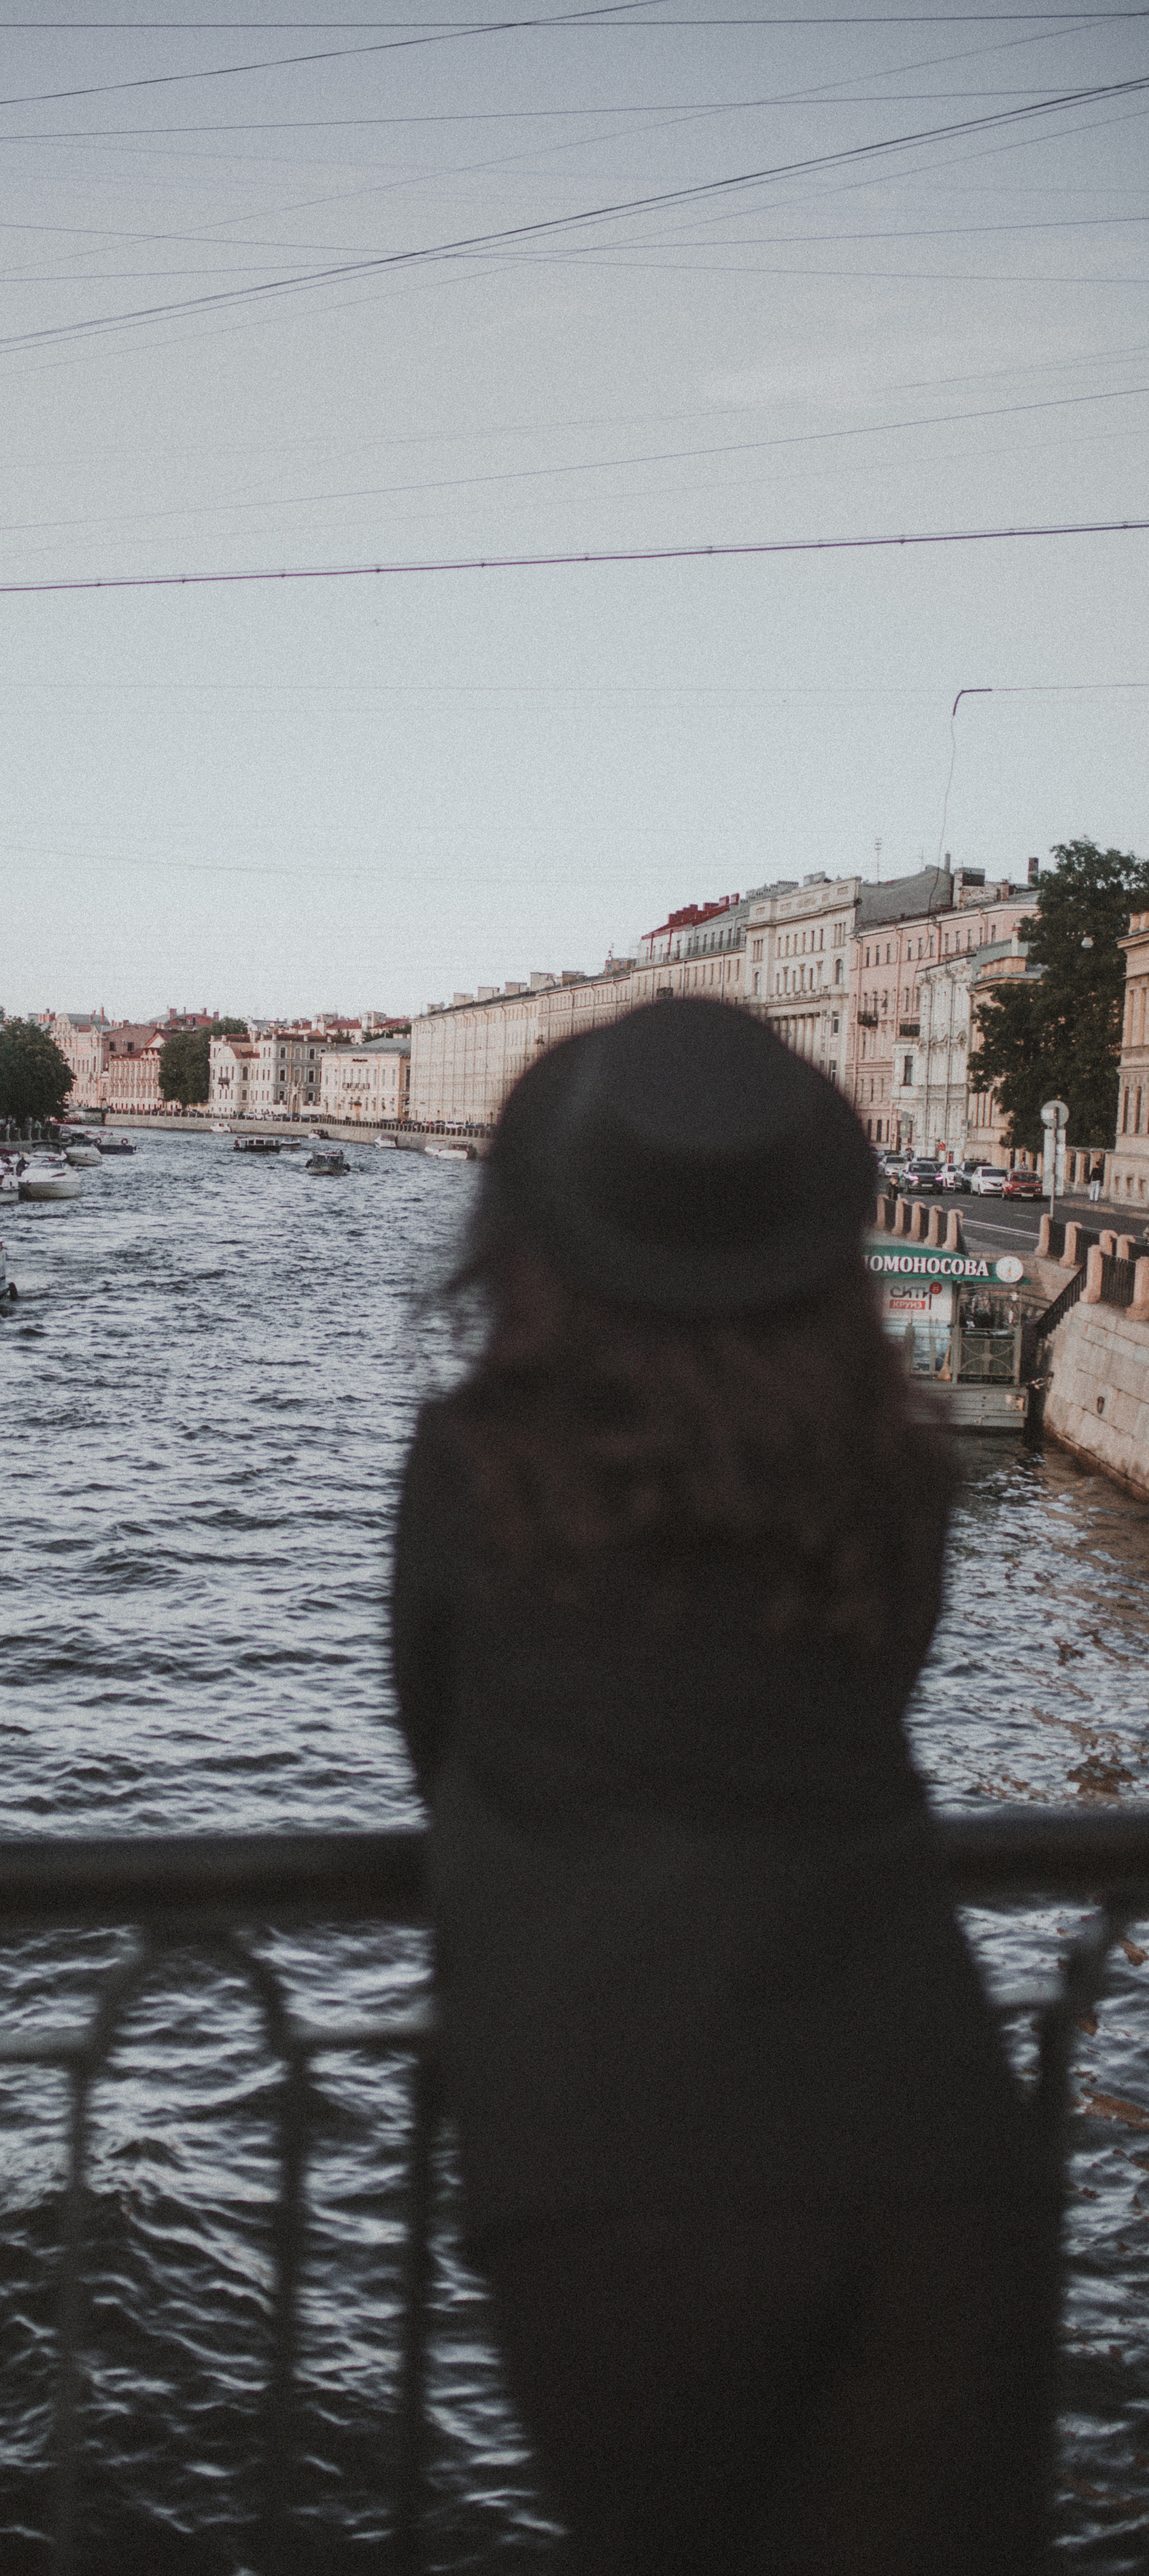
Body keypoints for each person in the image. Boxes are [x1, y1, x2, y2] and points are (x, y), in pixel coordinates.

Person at [390, 998, 1057, 2576]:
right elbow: (875, 1692)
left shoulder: (473, 1465)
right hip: (927, 2126)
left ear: (541, 1229)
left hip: (616, 2153)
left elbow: (439, 1745)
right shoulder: (890, 1465)